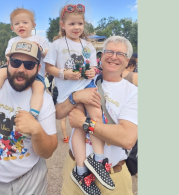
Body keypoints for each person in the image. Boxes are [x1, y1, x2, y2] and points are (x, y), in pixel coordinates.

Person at [44, 4, 112, 195]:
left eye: (80, 23)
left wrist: (92, 71)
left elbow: (93, 69)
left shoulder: (88, 46)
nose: (76, 27)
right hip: (68, 94)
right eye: (72, 23)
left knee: (96, 116)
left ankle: (99, 160)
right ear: (62, 25)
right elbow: (48, 67)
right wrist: (63, 73)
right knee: (79, 128)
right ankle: (81, 171)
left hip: (87, 87)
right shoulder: (57, 44)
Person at [57, 36, 138, 195]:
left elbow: (128, 139)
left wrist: (83, 122)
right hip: (75, 168)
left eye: (120, 54)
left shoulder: (133, 93)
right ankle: (81, 172)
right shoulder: (83, 80)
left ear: (127, 61)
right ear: (101, 57)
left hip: (113, 175)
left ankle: (98, 161)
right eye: (109, 52)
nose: (114, 57)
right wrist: (75, 97)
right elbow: (59, 112)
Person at [0, 39, 58, 195]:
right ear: (7, 63)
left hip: (29, 182)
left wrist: (36, 130)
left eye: (28, 65)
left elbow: (48, 151)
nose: (21, 69)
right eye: (15, 62)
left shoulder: (44, 101)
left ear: (38, 68)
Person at [0, 8, 49, 121]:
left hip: (35, 73)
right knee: (2, 72)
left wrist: (40, 49)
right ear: (12, 28)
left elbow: (49, 55)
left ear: (33, 25)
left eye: (25, 22)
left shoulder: (40, 39)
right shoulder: (13, 41)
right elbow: (8, 55)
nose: (21, 25)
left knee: (39, 87)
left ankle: (33, 114)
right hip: (15, 69)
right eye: (17, 23)